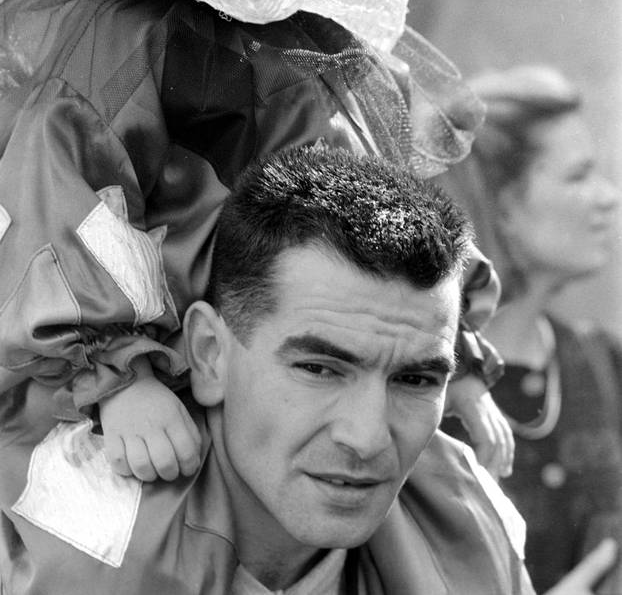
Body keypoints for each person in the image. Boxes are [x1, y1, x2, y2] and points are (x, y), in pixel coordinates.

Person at [0, 0, 510, 543]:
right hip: (162, 407)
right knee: (119, 553)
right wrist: (120, 377)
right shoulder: (117, 28)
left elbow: (403, 222)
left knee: (462, 541)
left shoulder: (350, 47)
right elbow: (66, 196)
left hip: (333, 396)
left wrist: (448, 361)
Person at [2, 145, 534, 594]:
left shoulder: (476, 535)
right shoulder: (42, 550)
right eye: (320, 369)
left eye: (416, 380)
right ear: (210, 354)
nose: (368, 438)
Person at [442, 65, 622, 595]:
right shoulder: (428, 385)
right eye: (577, 176)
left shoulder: (606, 362)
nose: (608, 196)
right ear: (503, 209)